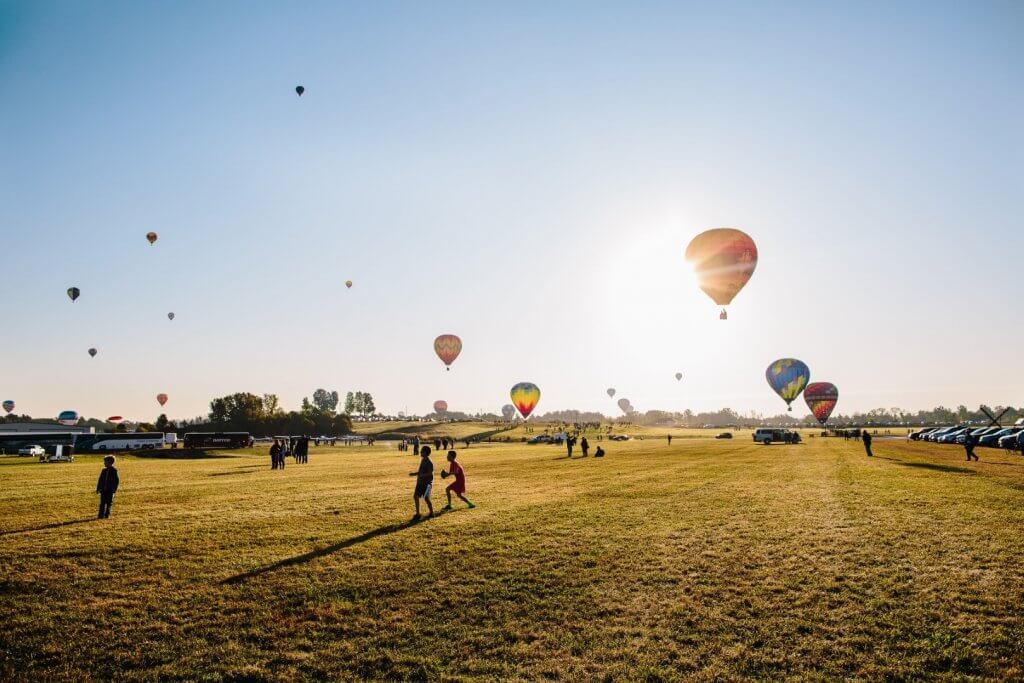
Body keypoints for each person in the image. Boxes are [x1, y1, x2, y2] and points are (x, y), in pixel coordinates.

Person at [409, 446, 434, 520]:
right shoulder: (423, 460)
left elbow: (430, 473)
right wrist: (414, 474)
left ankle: (432, 513)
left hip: (426, 484)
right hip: (420, 483)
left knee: (426, 498)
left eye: (422, 451)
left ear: (426, 453)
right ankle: (418, 514)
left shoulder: (429, 462)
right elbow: (420, 471)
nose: (420, 452)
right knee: (416, 496)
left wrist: (421, 475)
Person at [96, 455, 120, 519]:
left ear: (110, 462)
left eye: (105, 462)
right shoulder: (103, 470)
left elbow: (116, 481)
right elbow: (100, 480)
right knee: (102, 503)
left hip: (110, 490)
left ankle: (107, 515)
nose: (104, 463)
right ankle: (100, 516)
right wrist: (98, 488)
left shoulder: (114, 471)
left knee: (109, 503)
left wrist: (114, 489)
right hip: (103, 490)